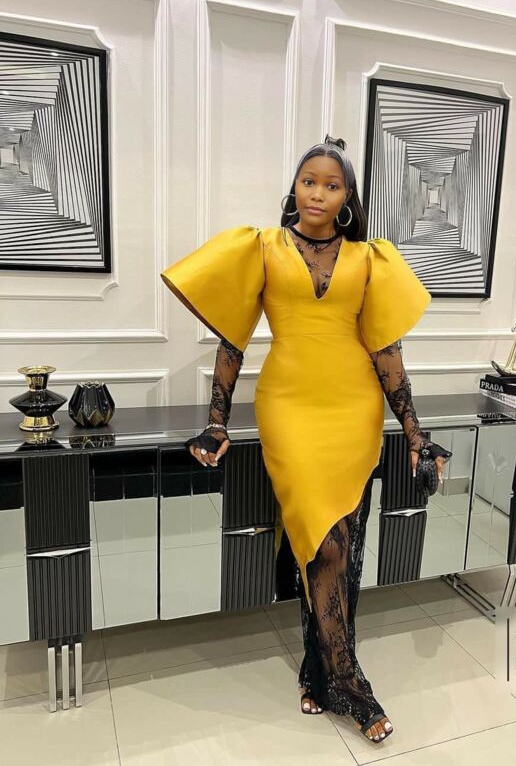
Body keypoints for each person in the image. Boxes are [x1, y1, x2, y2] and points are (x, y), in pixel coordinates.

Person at [160, 135, 451, 744]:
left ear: (347, 197)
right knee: (322, 545)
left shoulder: (371, 259)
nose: (318, 192)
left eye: (332, 184)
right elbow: (233, 342)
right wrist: (218, 420)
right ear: (295, 187)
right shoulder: (262, 248)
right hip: (289, 408)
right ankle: (352, 685)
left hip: (353, 411)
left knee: (332, 545)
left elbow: (387, 353)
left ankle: (318, 673)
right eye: (309, 181)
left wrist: (415, 434)